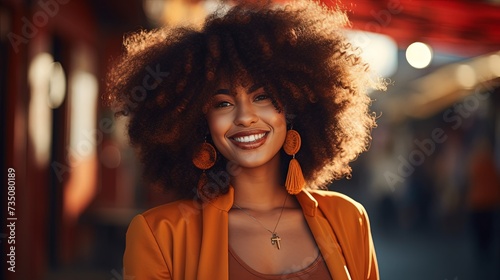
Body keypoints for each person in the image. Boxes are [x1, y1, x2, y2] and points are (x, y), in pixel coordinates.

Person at [106, 0, 384, 279]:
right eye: (222, 104)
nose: (244, 117)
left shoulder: (349, 218)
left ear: (293, 108)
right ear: (198, 122)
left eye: (262, 97)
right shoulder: (160, 233)